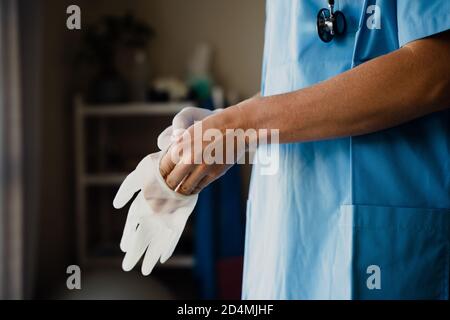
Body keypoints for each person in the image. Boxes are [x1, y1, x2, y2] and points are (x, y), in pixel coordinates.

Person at [159, 1, 450, 299]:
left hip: (387, 232)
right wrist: (228, 122)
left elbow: (436, 68)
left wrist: (242, 122)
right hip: (284, 238)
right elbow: (298, 77)